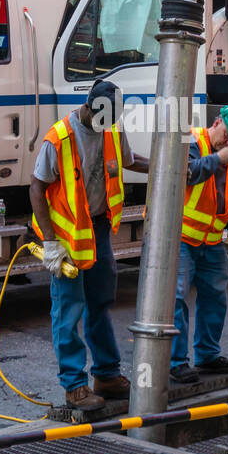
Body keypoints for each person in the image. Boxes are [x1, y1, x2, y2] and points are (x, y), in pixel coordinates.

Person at [31, 79, 149, 410]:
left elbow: (128, 160)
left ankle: (106, 375)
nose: (104, 128)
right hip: (68, 237)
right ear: (88, 107)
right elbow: (36, 188)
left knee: (100, 302)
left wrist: (164, 166)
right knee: (69, 308)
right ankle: (74, 386)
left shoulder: (110, 128)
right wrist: (51, 243)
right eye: (100, 121)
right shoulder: (60, 138)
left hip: (97, 230)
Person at [171, 103, 228, 384]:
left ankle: (207, 355)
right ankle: (175, 362)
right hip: (181, 237)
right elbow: (187, 173)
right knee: (176, 298)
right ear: (217, 121)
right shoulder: (194, 141)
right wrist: (219, 157)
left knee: (215, 295)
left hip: (210, 239)